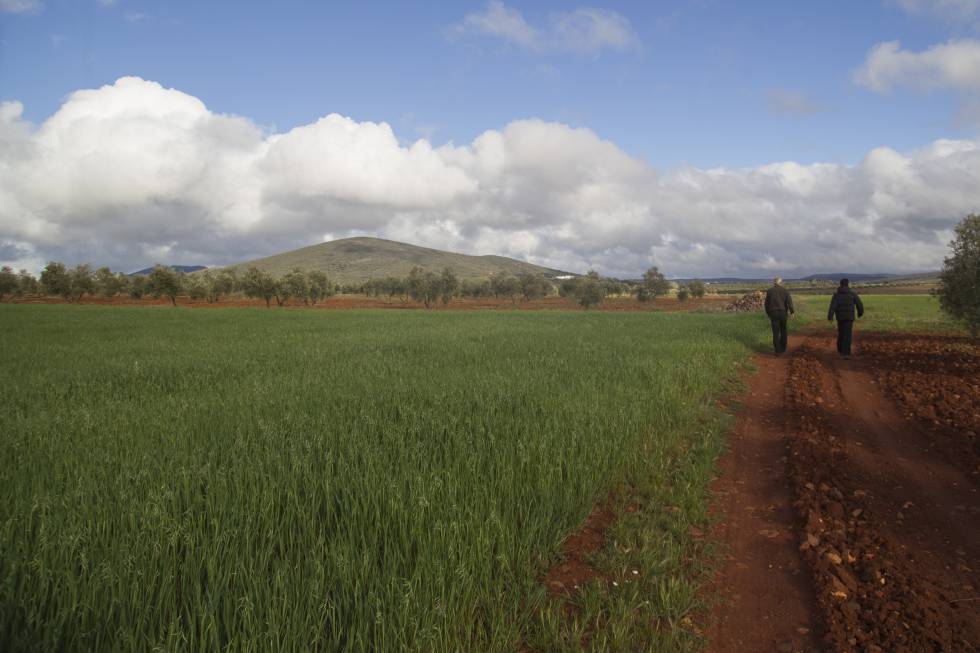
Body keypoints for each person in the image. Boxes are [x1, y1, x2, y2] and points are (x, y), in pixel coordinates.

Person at [827, 278, 864, 357]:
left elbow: (832, 306)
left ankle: (840, 350)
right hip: (849, 317)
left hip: (840, 318)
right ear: (848, 284)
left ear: (840, 284)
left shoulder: (836, 295)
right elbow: (859, 305)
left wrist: (830, 316)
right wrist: (860, 313)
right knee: (848, 334)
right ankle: (846, 353)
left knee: (841, 333)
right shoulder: (852, 294)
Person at [764, 277, 794, 354]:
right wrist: (792, 312)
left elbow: (766, 304)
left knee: (775, 332)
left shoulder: (769, 291)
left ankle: (777, 350)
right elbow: (789, 302)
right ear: (781, 283)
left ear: (774, 283)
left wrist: (768, 313)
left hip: (773, 313)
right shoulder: (785, 291)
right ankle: (783, 348)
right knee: (783, 330)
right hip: (783, 313)